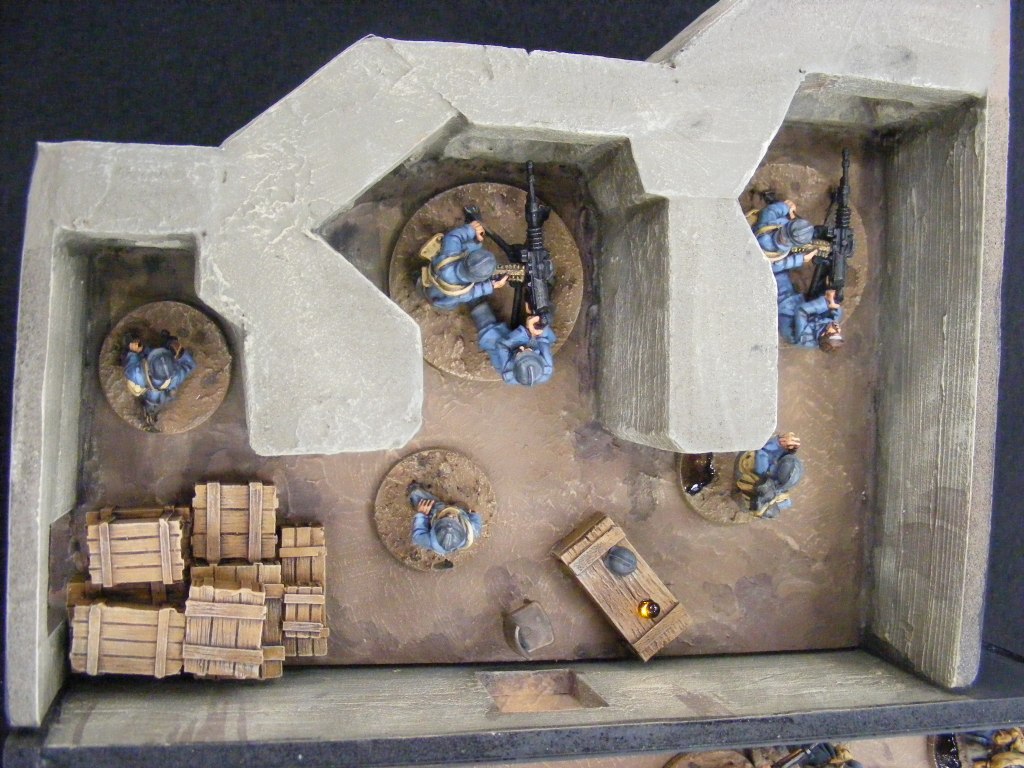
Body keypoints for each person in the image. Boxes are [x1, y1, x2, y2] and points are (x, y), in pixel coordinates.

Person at [418, 220, 509, 310]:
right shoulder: (462, 293)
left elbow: (452, 237)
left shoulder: (448, 257)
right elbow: (474, 292)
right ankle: (431, 300)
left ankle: (420, 285)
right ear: (478, 280)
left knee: (424, 285)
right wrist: (492, 285)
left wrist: (470, 230)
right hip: (442, 297)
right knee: (447, 303)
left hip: (432, 278)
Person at [122, 331, 197, 429]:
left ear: (149, 368)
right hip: (162, 394)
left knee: (149, 403)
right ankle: (167, 341)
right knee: (157, 401)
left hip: (151, 395)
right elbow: (191, 365)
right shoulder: (175, 376)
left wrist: (132, 352)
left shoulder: (139, 374)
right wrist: (181, 352)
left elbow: (128, 370)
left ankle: (148, 415)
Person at [772, 251, 844, 352]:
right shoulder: (826, 330)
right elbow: (835, 317)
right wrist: (834, 306)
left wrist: (826, 302)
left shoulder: (804, 336)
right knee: (830, 287)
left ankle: (783, 257)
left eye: (835, 332)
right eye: (839, 332)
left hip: (787, 308)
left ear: (824, 334)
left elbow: (801, 310)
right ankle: (826, 263)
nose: (838, 329)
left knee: (777, 272)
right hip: (807, 312)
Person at [470, 302, 555, 386]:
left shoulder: (508, 370)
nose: (521, 348)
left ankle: (476, 302)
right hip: (530, 344)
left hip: (503, 348)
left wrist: (526, 332)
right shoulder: (546, 366)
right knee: (545, 326)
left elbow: (501, 345)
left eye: (520, 353)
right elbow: (543, 339)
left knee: (490, 335)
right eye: (527, 351)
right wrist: (538, 322)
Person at [735, 432, 804, 518]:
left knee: (751, 459)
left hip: (745, 476)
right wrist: (789, 449)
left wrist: (777, 442)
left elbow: (762, 451)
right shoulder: (781, 487)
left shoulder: (762, 470)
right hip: (755, 499)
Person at [407, 483, 483, 557]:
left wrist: (421, 514)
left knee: (417, 496)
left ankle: (414, 493)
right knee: (462, 506)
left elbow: (417, 535)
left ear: (434, 529)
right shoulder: (473, 529)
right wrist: (471, 514)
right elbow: (475, 516)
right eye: (453, 518)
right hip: (460, 511)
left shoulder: (429, 541)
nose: (450, 515)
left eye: (445, 517)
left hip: (436, 511)